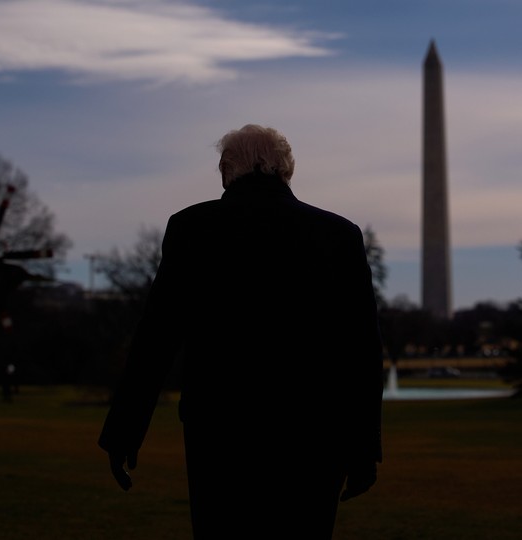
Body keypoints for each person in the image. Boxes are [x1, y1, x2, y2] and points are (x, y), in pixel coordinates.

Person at [99, 124, 384, 539]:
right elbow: (361, 351)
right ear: (286, 172)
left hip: (219, 434)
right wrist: (363, 451)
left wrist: (124, 431)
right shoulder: (337, 235)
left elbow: (156, 339)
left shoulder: (192, 228)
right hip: (312, 437)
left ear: (225, 172)